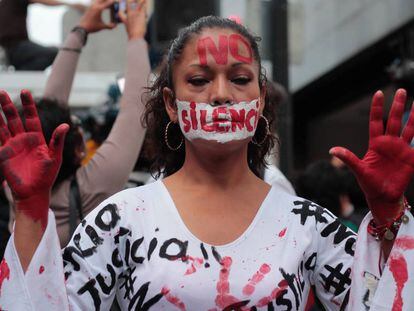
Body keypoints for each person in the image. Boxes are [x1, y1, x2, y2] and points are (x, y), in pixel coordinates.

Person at [1, 16, 414, 310]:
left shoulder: (308, 224)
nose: (221, 95)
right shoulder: (121, 219)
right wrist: (31, 210)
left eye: (239, 79)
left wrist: (389, 214)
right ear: (171, 104)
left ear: (259, 98)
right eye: (199, 80)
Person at [4, 0, 150, 247]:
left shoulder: (14, 186)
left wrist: (80, 31)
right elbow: (135, 108)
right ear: (78, 150)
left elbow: (47, 117)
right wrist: (136, 37)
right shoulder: (92, 188)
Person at [0, 0, 87, 70]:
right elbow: (44, 1)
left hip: (11, 50)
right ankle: (22, 77)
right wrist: (70, 5)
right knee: (57, 54)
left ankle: (22, 76)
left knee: (48, 56)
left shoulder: (5, 5)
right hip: (15, 47)